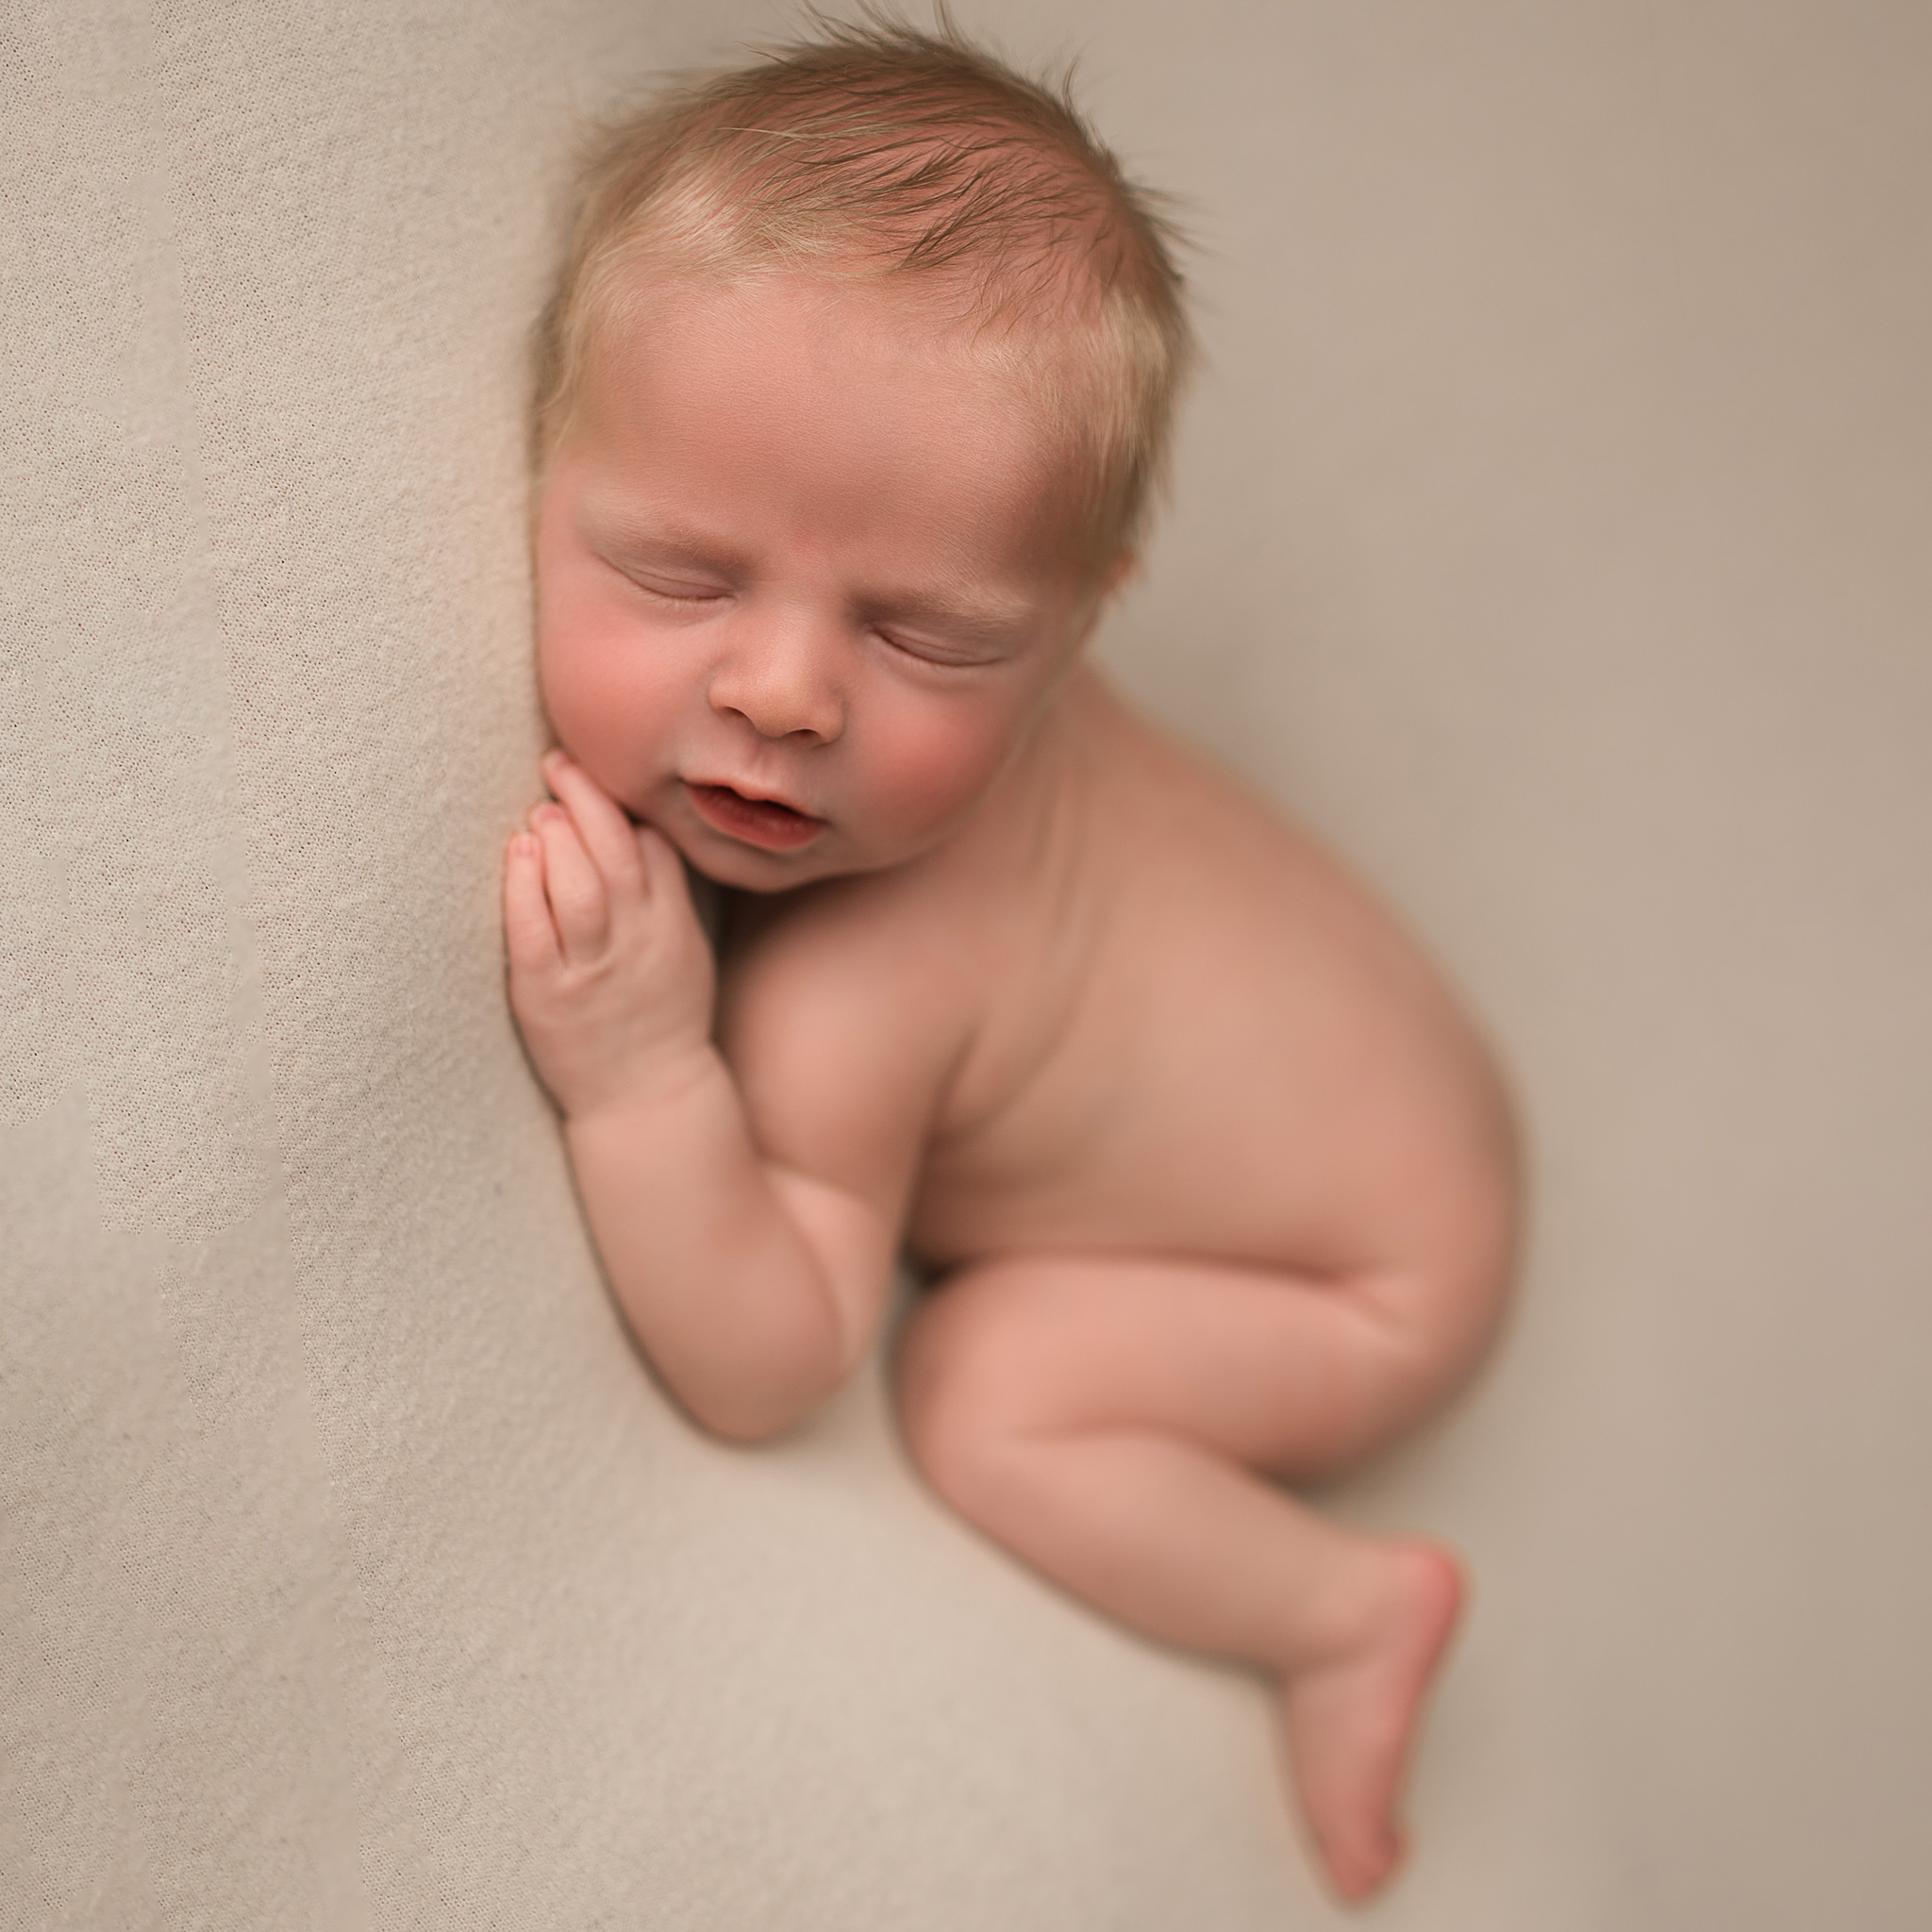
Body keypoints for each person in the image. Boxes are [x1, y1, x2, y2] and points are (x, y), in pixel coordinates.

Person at [502, 15, 1515, 1903]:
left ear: (1072, 629)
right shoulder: (932, 678)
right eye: (684, 575)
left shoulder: (861, 977)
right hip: (1406, 1092)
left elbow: (777, 1357)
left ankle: (1339, 1612)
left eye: (929, 641)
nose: (784, 694)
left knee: (985, 1389)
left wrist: (641, 1074)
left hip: (1366, 1282)